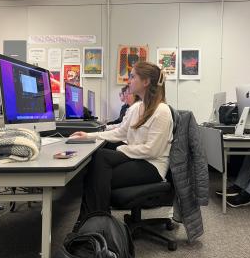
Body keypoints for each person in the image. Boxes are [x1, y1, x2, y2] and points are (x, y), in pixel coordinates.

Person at [70, 62, 173, 227]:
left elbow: (152, 150)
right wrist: (88, 135)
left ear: (145, 82)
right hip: (137, 158)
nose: (129, 80)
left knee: (97, 172)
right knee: (98, 162)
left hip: (152, 166)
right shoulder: (137, 107)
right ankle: (95, 222)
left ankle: (92, 223)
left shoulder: (162, 111)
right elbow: (120, 132)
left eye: (133, 76)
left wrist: (122, 148)